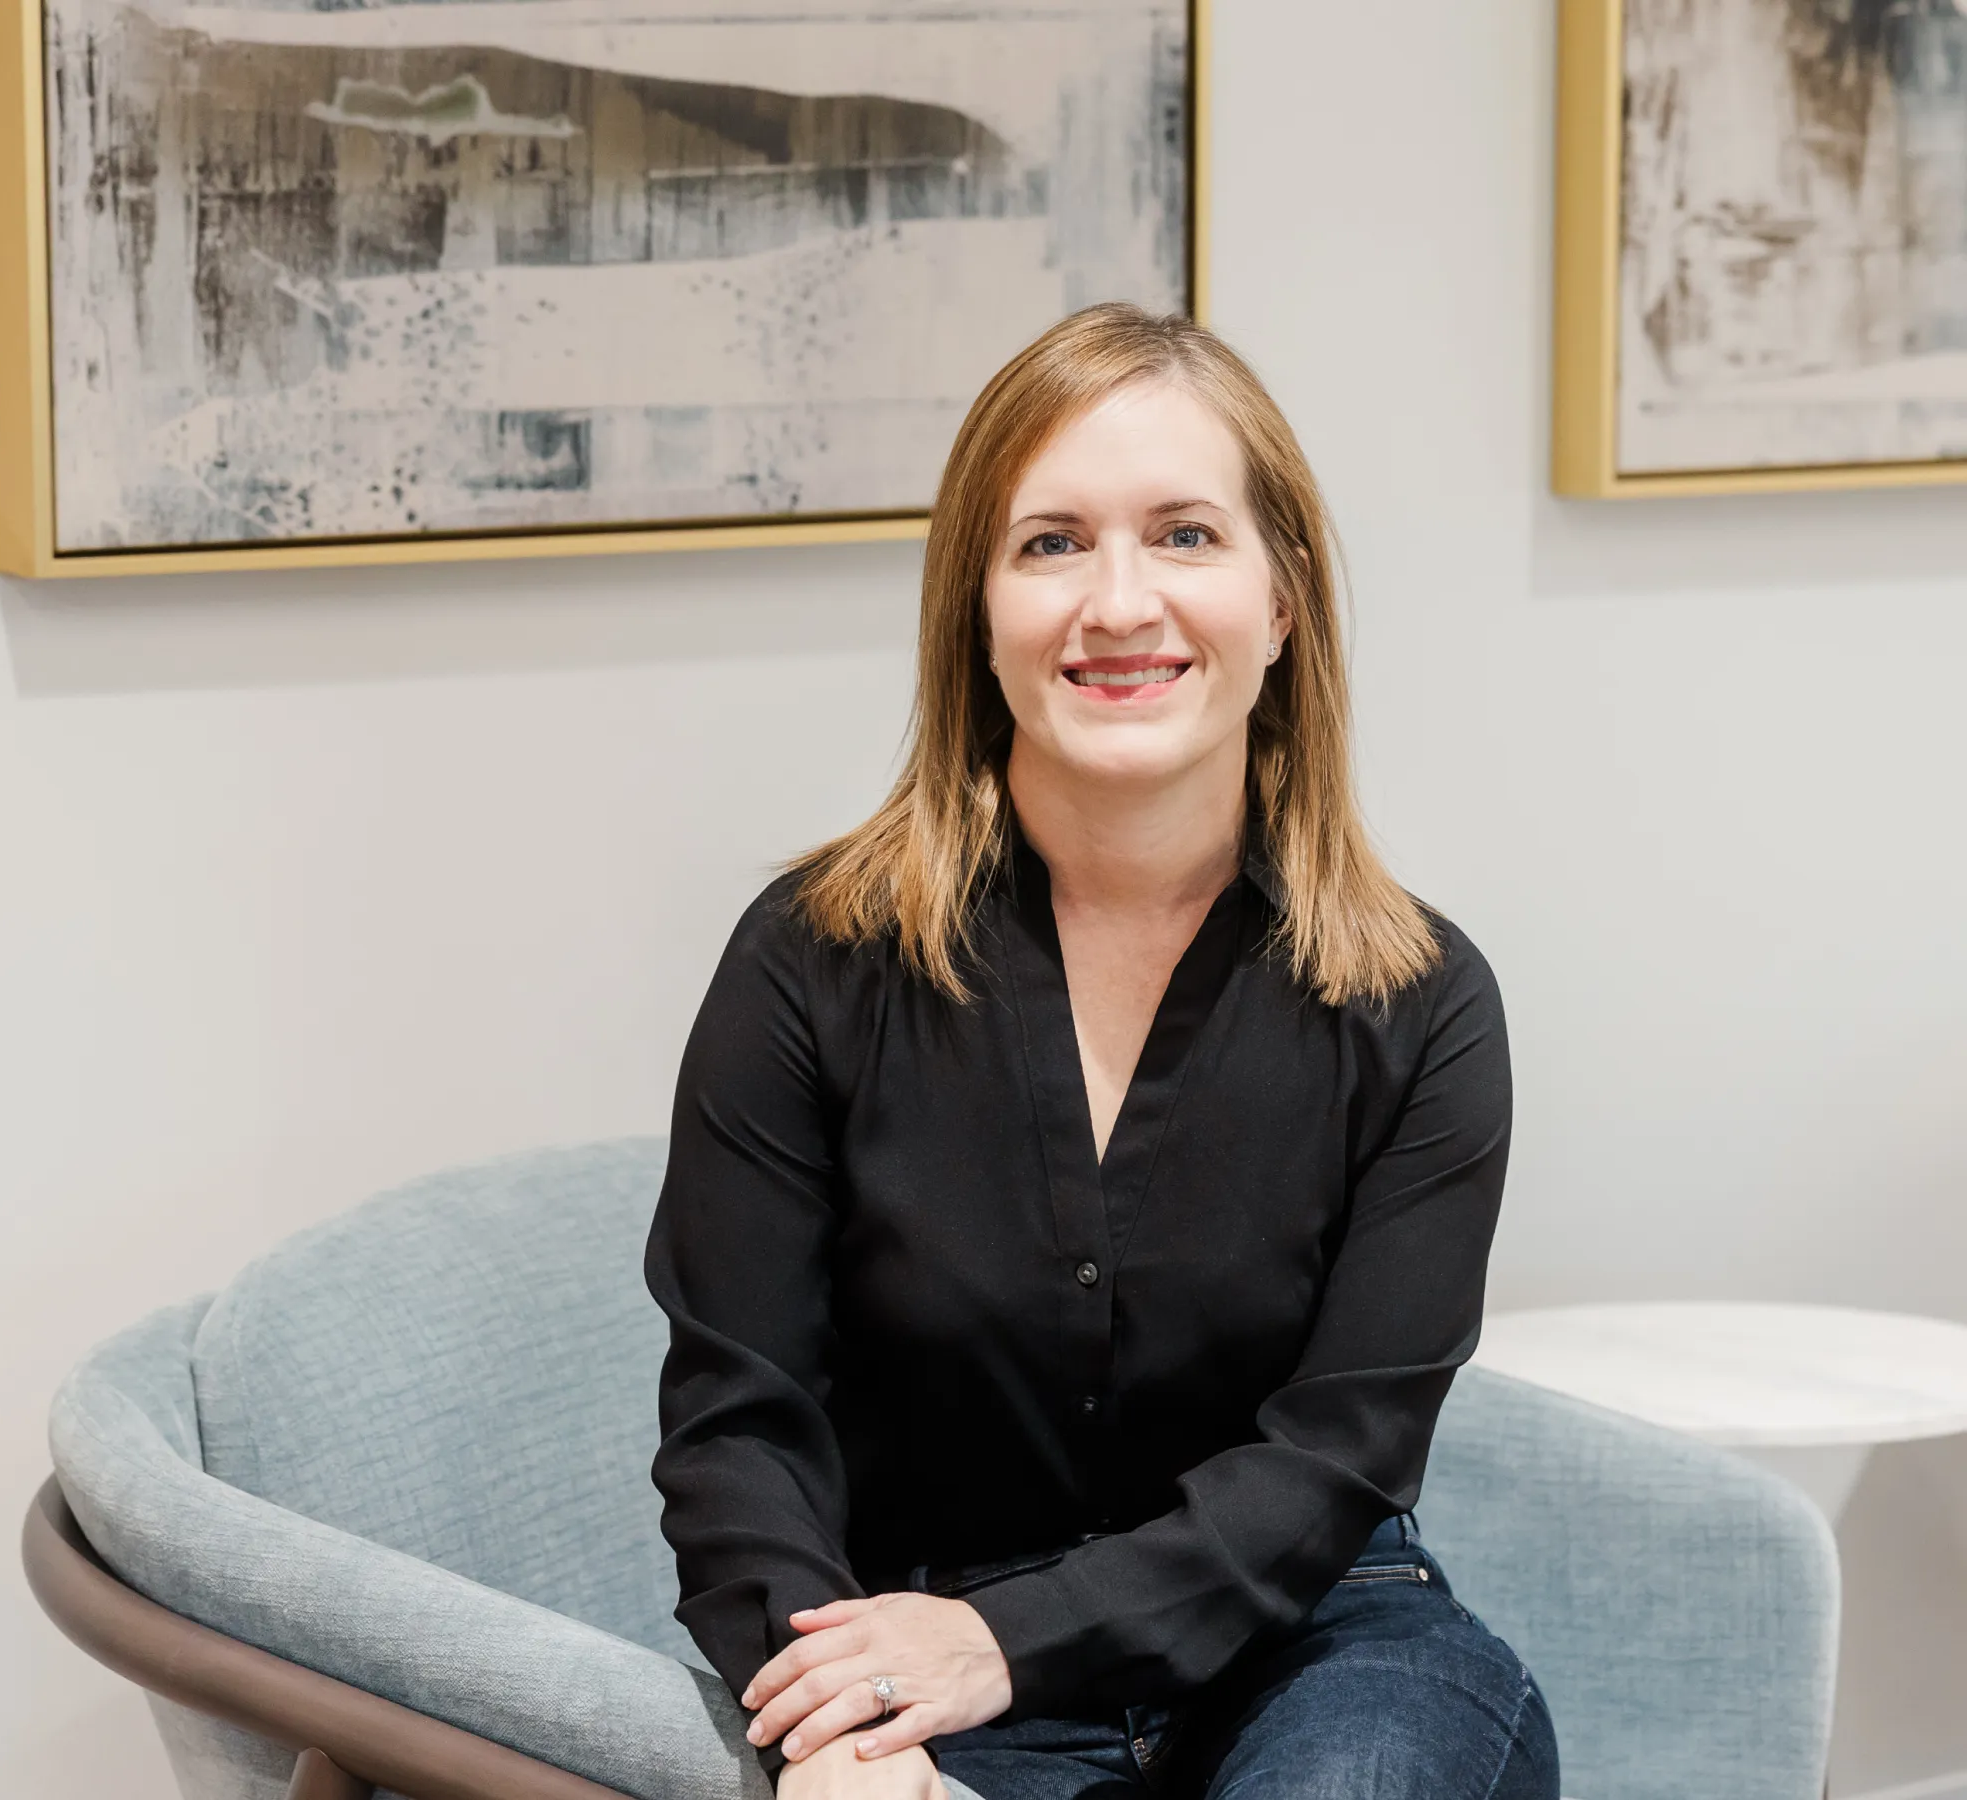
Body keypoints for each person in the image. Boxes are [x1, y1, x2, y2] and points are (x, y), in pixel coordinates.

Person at [642, 303, 1559, 1800]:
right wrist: (835, 1721)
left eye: (1186, 535)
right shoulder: (810, 963)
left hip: (1322, 1655)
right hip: (915, 1665)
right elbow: (742, 1425)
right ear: (976, 609)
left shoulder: (1423, 1002)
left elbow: (1337, 1459)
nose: (1118, 603)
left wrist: (1006, 1640)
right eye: (1052, 543)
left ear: (1283, 604)